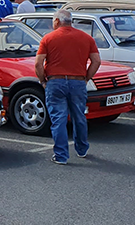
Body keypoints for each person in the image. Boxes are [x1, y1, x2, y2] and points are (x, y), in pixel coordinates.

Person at [34, 10, 100, 165]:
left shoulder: (48, 38)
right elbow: (96, 61)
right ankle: (82, 149)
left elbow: (38, 63)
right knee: (79, 116)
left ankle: (61, 155)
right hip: (78, 81)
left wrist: (43, 81)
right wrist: (86, 78)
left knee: (59, 119)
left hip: (55, 82)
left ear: (57, 21)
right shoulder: (86, 38)